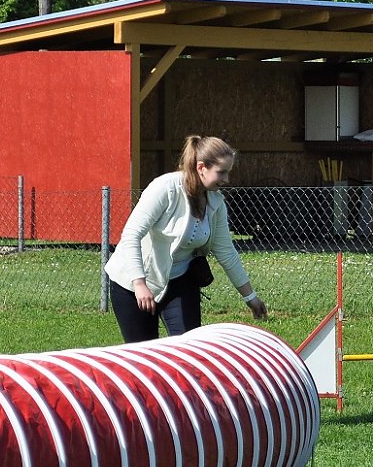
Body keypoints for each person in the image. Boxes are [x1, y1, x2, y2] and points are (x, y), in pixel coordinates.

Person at [104, 135, 267, 343]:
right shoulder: (165, 188)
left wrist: (250, 297)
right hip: (133, 284)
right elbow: (131, 235)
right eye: (222, 172)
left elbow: (226, 252)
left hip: (180, 282)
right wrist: (139, 283)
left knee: (189, 350)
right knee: (143, 359)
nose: (227, 179)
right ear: (201, 167)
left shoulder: (216, 201)